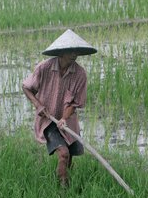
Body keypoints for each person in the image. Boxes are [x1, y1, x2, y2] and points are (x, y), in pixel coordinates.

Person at [22, 29, 97, 187]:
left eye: (76, 50)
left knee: (69, 157)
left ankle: (66, 181)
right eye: (71, 51)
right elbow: (27, 88)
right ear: (61, 52)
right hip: (48, 120)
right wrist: (38, 105)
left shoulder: (80, 74)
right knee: (63, 154)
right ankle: (63, 193)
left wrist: (64, 118)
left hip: (68, 122)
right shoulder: (44, 68)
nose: (74, 54)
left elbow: (75, 103)